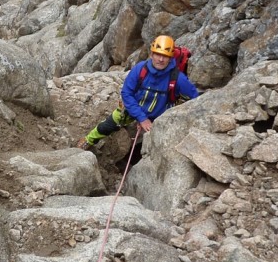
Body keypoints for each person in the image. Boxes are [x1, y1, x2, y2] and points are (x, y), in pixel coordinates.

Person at [76, 35, 200, 165]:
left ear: (170, 58)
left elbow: (195, 98)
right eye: (158, 54)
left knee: (155, 144)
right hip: (135, 108)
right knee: (109, 124)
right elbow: (127, 93)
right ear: (152, 54)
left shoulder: (178, 78)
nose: (161, 59)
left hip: (159, 117)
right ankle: (89, 140)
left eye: (165, 56)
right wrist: (141, 118)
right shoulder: (140, 69)